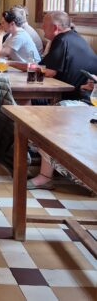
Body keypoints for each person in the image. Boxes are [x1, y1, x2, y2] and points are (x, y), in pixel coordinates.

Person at [27, 12, 97, 190]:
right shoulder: (75, 37)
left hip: (80, 101)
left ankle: (44, 173)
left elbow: (48, 70)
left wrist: (20, 66)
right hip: (81, 94)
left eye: (44, 25)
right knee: (31, 104)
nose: (42, 28)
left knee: (40, 110)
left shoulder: (62, 39)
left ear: (56, 28)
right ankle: (34, 157)